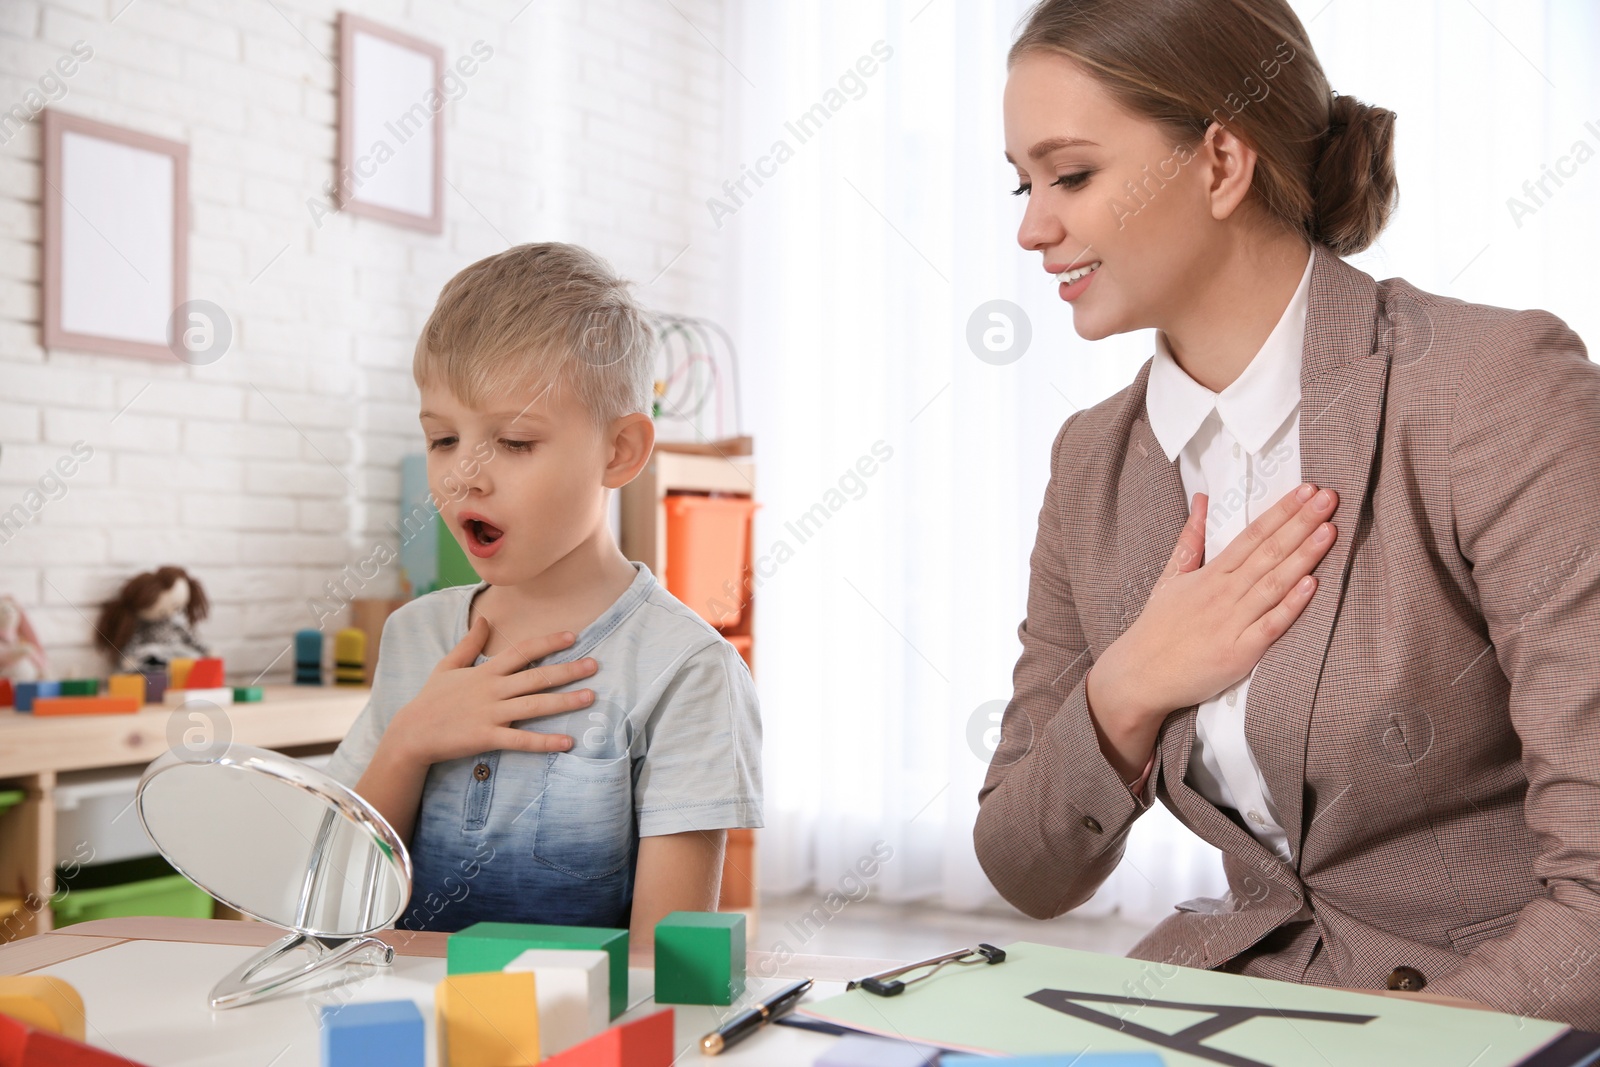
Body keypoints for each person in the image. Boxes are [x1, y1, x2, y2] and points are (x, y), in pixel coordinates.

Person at [973, 0, 1600, 1029]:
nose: (1031, 226)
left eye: (1070, 174)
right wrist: (1127, 685)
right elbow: (1024, 864)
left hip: (1481, 1023)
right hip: (1229, 1006)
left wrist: (1381, 1056)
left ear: (1221, 162)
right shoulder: (1092, 462)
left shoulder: (1490, 393)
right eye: (1021, 181)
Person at [325, 243, 763, 947]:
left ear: (619, 451)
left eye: (515, 441)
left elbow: (666, 970)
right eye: (442, 438)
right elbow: (330, 907)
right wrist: (408, 741)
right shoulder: (415, 636)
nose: (463, 475)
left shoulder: (687, 668)